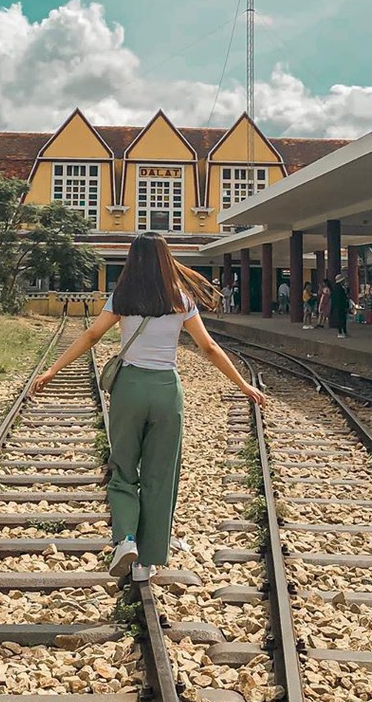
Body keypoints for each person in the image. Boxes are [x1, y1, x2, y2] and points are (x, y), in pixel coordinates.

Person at [32, 232, 265, 583]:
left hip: (130, 388)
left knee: (124, 469)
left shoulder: (122, 296)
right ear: (165, 259)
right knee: (161, 476)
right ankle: (147, 562)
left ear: (132, 260)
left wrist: (52, 369)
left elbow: (92, 336)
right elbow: (210, 348)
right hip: (166, 392)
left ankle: (126, 539)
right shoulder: (181, 299)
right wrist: (242, 384)